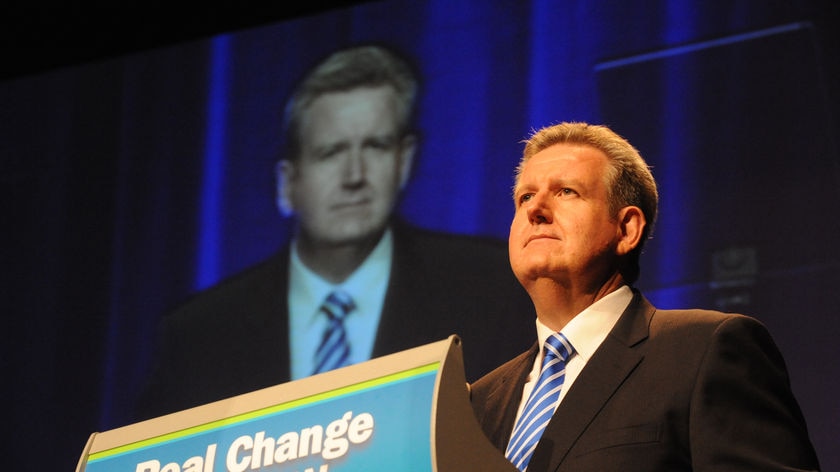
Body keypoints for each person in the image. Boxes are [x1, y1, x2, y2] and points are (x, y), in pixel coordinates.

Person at [134, 45, 534, 420]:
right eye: (331, 153)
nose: (355, 177)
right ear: (287, 182)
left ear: (404, 159)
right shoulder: (199, 334)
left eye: (375, 146)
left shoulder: (491, 288)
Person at [469, 122, 819, 471]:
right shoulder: (480, 402)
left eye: (566, 192)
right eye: (525, 197)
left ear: (626, 229)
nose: (535, 209)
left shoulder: (704, 351)